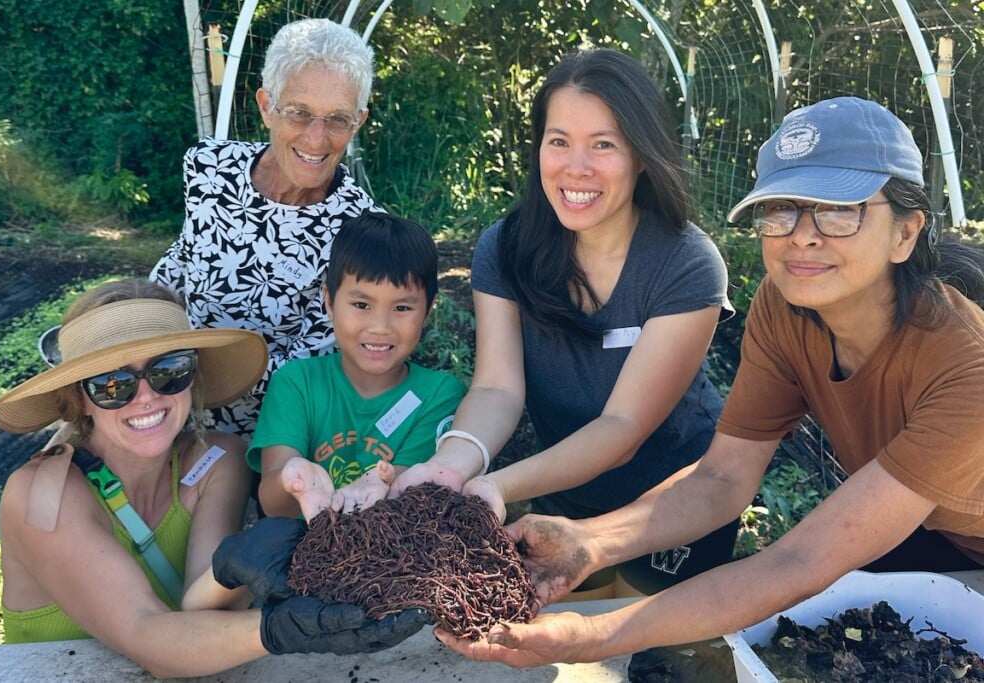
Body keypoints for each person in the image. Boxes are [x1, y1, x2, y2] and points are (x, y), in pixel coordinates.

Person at [436, 96, 984, 672]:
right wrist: (589, 543)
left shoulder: (965, 371)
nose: (801, 237)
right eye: (781, 210)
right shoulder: (786, 305)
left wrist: (589, 636)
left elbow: (795, 564)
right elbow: (721, 476)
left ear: (905, 233)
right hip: (925, 525)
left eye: (837, 210)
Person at [392, 47, 735, 601]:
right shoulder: (504, 248)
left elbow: (622, 427)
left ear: (642, 155)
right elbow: (497, 387)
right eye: (559, 142)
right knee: (564, 638)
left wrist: (497, 486)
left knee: (649, 651)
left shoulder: (687, 264)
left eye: (604, 144)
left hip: (672, 500)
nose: (577, 168)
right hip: (565, 486)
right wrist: (451, 469)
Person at [0, 279, 427, 678]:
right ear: (80, 399)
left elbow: (202, 611)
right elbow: (149, 638)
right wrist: (282, 629)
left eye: (168, 370)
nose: (146, 398)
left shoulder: (218, 459)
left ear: (193, 377)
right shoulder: (40, 497)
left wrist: (234, 569)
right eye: (111, 384)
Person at [150, 18, 380, 439]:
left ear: (359, 122)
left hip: (269, 436)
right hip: (162, 400)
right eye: (299, 112)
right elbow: (183, 257)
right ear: (265, 106)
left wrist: (180, 371)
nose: (316, 139)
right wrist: (136, 323)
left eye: (338, 120)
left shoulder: (360, 234)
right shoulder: (208, 168)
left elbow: (304, 368)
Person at [248, 211, 466, 520]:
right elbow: (271, 502)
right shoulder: (296, 383)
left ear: (428, 310)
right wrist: (292, 479)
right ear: (329, 302)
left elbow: (409, 498)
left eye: (402, 308)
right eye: (361, 305)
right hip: (299, 553)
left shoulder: (439, 394)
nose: (380, 327)